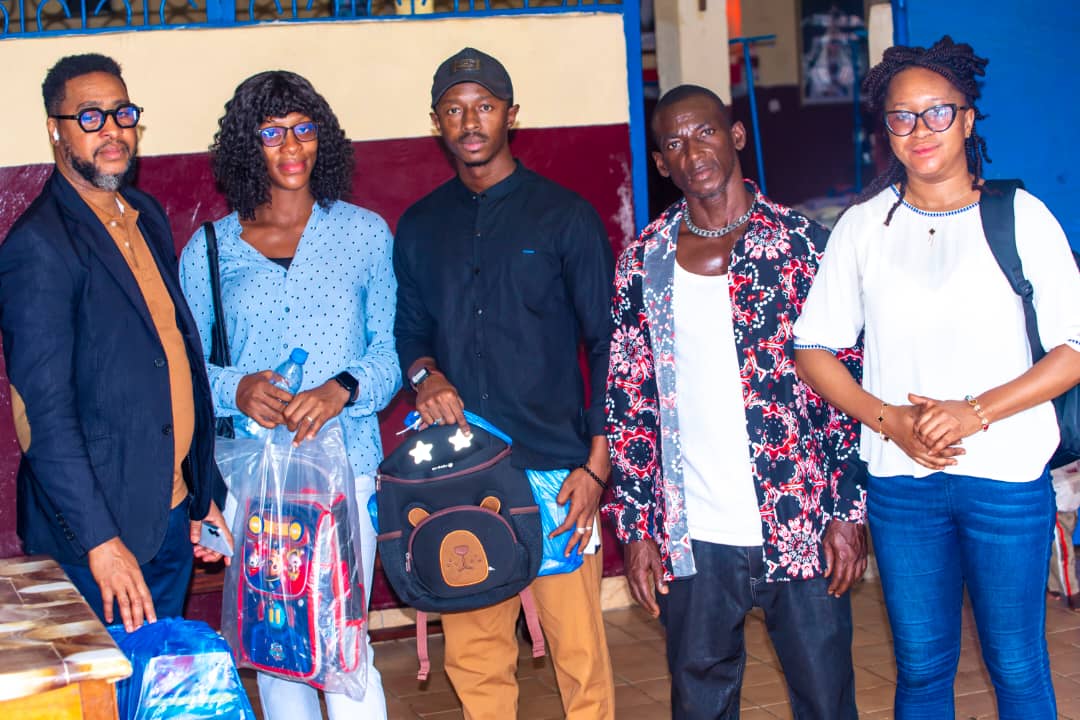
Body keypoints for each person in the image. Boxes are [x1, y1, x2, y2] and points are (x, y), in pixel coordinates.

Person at [792, 37, 1080, 719]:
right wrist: (890, 420)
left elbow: (1073, 348)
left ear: (968, 118)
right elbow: (813, 348)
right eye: (902, 116)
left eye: (937, 112)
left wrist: (974, 411)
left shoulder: (1021, 216)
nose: (920, 130)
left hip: (1006, 478)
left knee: (1016, 662)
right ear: (885, 129)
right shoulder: (862, 228)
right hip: (903, 485)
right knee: (921, 666)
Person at [605, 84, 867, 720]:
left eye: (706, 132)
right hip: (695, 535)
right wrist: (637, 530)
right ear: (661, 163)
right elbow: (629, 402)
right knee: (700, 704)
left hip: (801, 521)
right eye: (674, 143)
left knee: (826, 701)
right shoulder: (644, 262)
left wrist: (847, 511)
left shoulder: (805, 246)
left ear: (736, 136)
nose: (693, 152)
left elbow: (848, 387)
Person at [393, 47, 616, 720]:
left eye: (484, 107)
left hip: (556, 471)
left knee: (581, 655)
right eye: (455, 110)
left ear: (510, 116)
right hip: (462, 476)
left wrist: (597, 464)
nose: (470, 122)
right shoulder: (420, 225)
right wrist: (427, 376)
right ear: (436, 122)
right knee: (476, 658)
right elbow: (411, 335)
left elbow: (607, 343)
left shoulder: (564, 216)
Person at [178, 70, 396, 719]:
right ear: (248, 146)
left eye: (304, 129)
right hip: (255, 481)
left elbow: (390, 350)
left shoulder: (364, 233)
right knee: (279, 650)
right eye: (272, 133)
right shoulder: (210, 250)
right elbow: (185, 371)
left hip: (346, 471)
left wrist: (341, 389)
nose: (292, 146)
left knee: (344, 646)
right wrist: (238, 388)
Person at [0, 53, 231, 632]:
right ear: (56, 130)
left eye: (122, 113)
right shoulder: (39, 247)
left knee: (160, 676)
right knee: (114, 682)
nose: (112, 130)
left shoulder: (144, 214)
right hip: (98, 541)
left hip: (169, 515)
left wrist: (200, 493)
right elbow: (44, 418)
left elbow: (171, 358)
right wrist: (101, 541)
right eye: (90, 116)